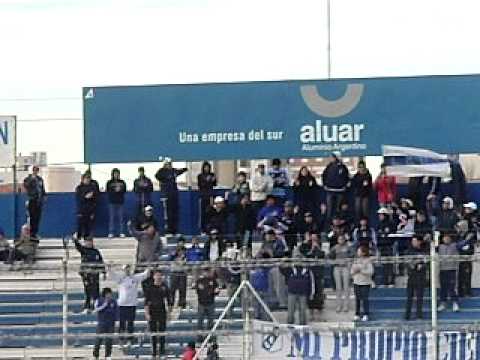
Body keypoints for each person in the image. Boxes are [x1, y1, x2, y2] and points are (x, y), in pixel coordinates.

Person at [108, 264, 149, 346]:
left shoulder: (135, 278)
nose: (127, 271)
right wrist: (109, 268)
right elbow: (112, 275)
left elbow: (145, 275)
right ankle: (121, 340)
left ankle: (130, 339)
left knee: (130, 323)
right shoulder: (121, 278)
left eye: (128, 269)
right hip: (122, 304)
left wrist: (149, 267)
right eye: (125, 269)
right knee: (122, 323)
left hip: (132, 304)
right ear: (123, 270)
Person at [281, 248, 314, 325]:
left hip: (303, 293)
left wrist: (311, 293)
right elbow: (281, 268)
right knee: (290, 312)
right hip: (292, 293)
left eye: (299, 257)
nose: (297, 259)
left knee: (302, 312)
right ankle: (290, 326)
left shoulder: (307, 270)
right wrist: (283, 261)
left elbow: (311, 283)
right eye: (296, 257)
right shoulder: (290, 268)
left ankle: (302, 327)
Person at [73, 235, 106, 313]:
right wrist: (75, 240)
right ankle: (87, 306)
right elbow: (78, 247)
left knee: (96, 291)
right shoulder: (84, 250)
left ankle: (96, 306)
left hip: (95, 274)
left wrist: (104, 272)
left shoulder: (96, 251)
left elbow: (101, 262)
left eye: (90, 241)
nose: (89, 243)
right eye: (87, 242)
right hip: (86, 275)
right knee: (88, 290)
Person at [144, 270, 173, 358]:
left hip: (162, 311)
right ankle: (153, 351)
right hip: (152, 311)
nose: (159, 277)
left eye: (160, 275)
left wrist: (169, 313)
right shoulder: (150, 287)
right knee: (153, 332)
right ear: (154, 277)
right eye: (157, 275)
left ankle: (162, 350)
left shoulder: (165, 287)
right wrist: (147, 313)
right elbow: (146, 302)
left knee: (162, 331)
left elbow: (169, 301)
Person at [155, 159, 187, 234]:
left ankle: (175, 229)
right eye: (167, 164)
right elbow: (157, 176)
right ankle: (169, 230)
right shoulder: (161, 172)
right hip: (167, 195)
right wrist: (165, 176)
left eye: (170, 164)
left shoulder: (173, 171)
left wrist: (185, 169)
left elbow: (179, 171)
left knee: (175, 212)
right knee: (168, 213)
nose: (169, 165)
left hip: (174, 195)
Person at [438, 233, 467, 312]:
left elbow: (463, 243)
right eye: (445, 238)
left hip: (452, 270)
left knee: (452, 287)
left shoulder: (455, 245)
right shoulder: (440, 247)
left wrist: (465, 237)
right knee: (443, 287)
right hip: (442, 270)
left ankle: (455, 303)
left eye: (448, 237)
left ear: (450, 239)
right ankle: (443, 303)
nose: (446, 239)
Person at [404, 236, 428, 320]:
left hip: (421, 277)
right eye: (412, 241)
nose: (413, 242)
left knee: (419, 297)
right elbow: (407, 263)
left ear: (419, 242)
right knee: (409, 297)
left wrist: (422, 265)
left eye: (415, 241)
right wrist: (414, 264)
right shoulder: (408, 251)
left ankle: (419, 315)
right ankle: (407, 315)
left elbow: (426, 262)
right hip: (411, 276)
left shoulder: (424, 251)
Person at [329, 234, 354, 312]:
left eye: (342, 239)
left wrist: (348, 261)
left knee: (346, 287)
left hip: (345, 268)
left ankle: (346, 306)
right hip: (337, 268)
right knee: (338, 288)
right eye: (339, 239)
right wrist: (334, 262)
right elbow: (329, 257)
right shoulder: (335, 248)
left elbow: (353, 256)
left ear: (344, 240)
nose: (340, 241)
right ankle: (339, 306)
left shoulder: (348, 247)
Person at [322, 151, 350, 220]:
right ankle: (329, 226)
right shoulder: (329, 166)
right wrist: (325, 184)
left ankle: (339, 225)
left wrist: (344, 185)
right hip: (329, 190)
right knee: (329, 209)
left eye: (332, 157)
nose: (331, 158)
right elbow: (324, 175)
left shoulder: (343, 167)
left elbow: (346, 177)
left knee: (338, 209)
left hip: (340, 191)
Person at [93, 287, 118, 360]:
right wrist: (104, 305)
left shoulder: (113, 301)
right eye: (108, 294)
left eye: (110, 294)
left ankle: (108, 355)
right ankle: (96, 355)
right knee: (98, 340)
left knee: (109, 340)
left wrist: (115, 320)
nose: (109, 295)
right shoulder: (99, 300)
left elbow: (116, 311)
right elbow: (95, 310)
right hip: (102, 323)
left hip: (110, 324)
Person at [195, 268, 219, 341]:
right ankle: (200, 338)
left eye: (208, 271)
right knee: (200, 322)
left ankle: (210, 337)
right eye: (205, 271)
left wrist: (212, 292)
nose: (206, 273)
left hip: (210, 303)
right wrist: (210, 291)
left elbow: (216, 291)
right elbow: (198, 291)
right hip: (201, 303)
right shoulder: (199, 281)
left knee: (211, 322)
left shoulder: (213, 281)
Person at [351, 246, 374, 321]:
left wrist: (361, 270)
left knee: (365, 299)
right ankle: (357, 314)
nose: (358, 252)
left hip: (365, 283)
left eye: (359, 251)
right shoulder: (355, 260)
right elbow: (352, 271)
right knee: (357, 299)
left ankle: (366, 314)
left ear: (363, 253)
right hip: (356, 282)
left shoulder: (368, 261)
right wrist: (355, 271)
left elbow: (371, 272)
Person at [23, 165, 46, 240]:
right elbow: (26, 186)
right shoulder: (28, 179)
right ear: (32, 171)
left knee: (37, 218)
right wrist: (31, 179)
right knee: (32, 217)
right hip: (32, 200)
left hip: (39, 201)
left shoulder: (40, 179)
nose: (35, 172)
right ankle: (31, 234)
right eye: (34, 170)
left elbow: (42, 188)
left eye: (37, 170)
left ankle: (35, 233)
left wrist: (44, 195)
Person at [456, 220, 476, 298]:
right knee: (460, 276)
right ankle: (460, 292)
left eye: (459, 227)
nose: (458, 229)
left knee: (467, 276)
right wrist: (465, 242)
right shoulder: (458, 236)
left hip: (467, 260)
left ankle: (468, 292)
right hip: (459, 260)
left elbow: (472, 250)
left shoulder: (470, 237)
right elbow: (457, 247)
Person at [76, 172, 99, 240]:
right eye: (86, 178)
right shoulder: (79, 188)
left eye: (88, 178)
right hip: (82, 209)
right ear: (83, 179)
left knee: (88, 225)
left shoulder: (92, 187)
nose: (87, 180)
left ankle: (86, 237)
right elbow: (79, 198)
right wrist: (85, 197)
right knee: (80, 224)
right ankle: (79, 236)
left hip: (90, 209)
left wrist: (93, 210)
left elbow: (96, 198)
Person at [376, 208, 395, 287]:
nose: (380, 216)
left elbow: (392, 235)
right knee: (383, 265)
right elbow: (378, 236)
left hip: (389, 246)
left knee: (390, 265)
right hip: (381, 247)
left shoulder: (390, 224)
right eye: (379, 215)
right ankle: (384, 282)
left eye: (381, 215)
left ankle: (391, 282)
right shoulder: (379, 225)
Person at [106, 168, 127, 238]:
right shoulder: (109, 182)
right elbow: (107, 191)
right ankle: (111, 232)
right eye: (115, 173)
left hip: (120, 202)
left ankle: (121, 232)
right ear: (112, 174)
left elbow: (125, 190)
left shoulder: (122, 182)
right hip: (112, 202)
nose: (116, 175)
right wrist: (114, 190)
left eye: (117, 173)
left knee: (121, 218)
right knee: (112, 218)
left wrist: (120, 190)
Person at [197, 161, 217, 232]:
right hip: (203, 197)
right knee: (203, 213)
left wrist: (214, 180)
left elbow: (214, 184)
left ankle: (210, 228)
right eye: (205, 167)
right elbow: (200, 185)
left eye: (208, 167)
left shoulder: (212, 174)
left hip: (211, 197)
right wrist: (207, 180)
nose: (207, 169)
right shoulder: (200, 176)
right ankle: (203, 229)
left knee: (211, 213)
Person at [169, 240, 188, 309]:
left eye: (182, 251)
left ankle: (182, 304)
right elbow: (170, 259)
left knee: (182, 290)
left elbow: (184, 263)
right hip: (174, 273)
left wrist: (182, 259)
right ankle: (171, 303)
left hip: (182, 274)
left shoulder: (186, 255)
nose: (181, 252)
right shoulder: (173, 254)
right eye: (179, 251)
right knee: (172, 290)